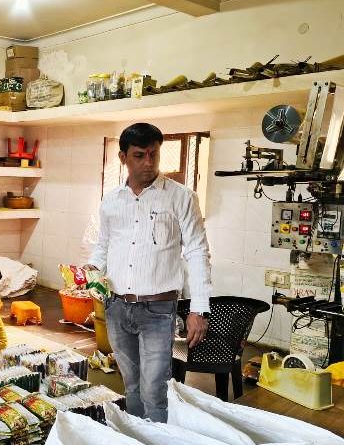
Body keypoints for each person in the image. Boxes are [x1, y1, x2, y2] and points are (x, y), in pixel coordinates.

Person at [85, 122, 211, 423]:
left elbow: (197, 252)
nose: (148, 162)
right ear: (123, 157)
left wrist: (199, 309)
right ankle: (138, 435)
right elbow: (104, 245)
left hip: (158, 309)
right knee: (130, 384)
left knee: (154, 389)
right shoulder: (112, 200)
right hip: (116, 307)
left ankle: (157, 437)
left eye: (154, 154)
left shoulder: (181, 197)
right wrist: (92, 269)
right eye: (139, 155)